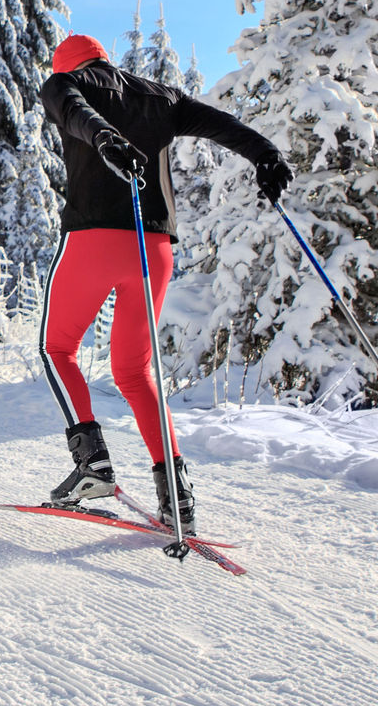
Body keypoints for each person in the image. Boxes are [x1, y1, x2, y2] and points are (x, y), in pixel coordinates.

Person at [37, 33, 290, 527]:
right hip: (153, 249)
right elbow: (223, 126)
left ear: (65, 64)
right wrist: (265, 154)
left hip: (92, 238)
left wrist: (106, 139)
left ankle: (93, 463)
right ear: (104, 58)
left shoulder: (64, 84)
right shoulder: (161, 96)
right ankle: (176, 493)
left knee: (57, 348)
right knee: (134, 371)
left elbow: (75, 115)